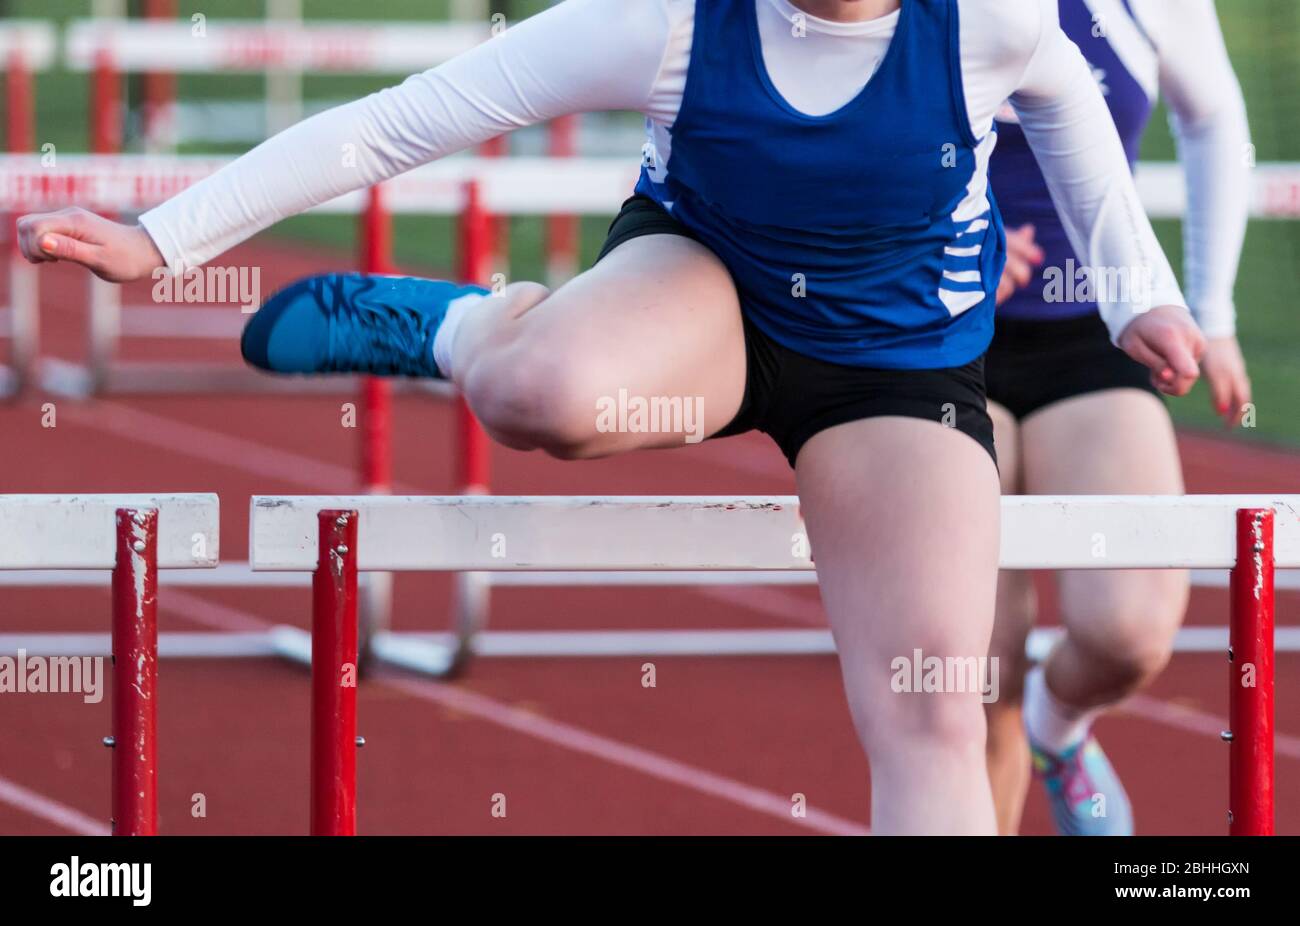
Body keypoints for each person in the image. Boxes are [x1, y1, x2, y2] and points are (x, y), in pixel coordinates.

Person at [16, 0, 1205, 835]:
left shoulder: (989, 19)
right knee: (542, 395)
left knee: (935, 715)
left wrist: (1139, 291)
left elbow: (1070, 118)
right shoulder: (668, 22)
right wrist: (163, 236)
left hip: (894, 369)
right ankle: (465, 326)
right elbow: (404, 118)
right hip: (704, 299)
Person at [983, 0, 1250, 835]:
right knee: (967, 670)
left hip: (1100, 335)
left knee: (1131, 630)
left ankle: (1055, 733)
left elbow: (1214, 122)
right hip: (936, 339)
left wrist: (1212, 312)